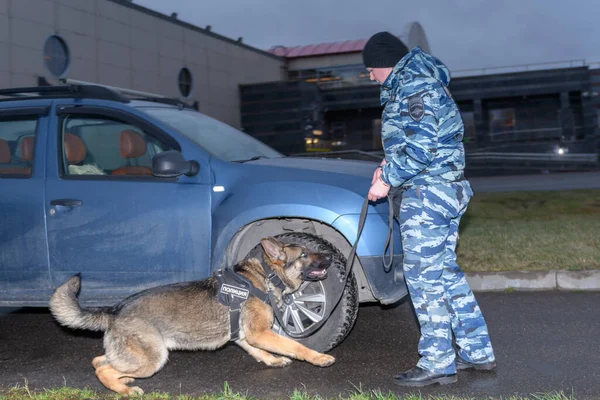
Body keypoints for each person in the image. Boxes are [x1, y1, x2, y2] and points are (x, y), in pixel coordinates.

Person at [363, 32, 496, 387]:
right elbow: (418, 139)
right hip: (443, 188)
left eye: (370, 71)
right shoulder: (419, 82)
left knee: (424, 279)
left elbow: (421, 150)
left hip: (429, 194)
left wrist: (386, 179)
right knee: (445, 274)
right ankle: (477, 350)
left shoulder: (412, 86)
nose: (371, 77)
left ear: (380, 64)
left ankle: (437, 361)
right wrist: (386, 162)